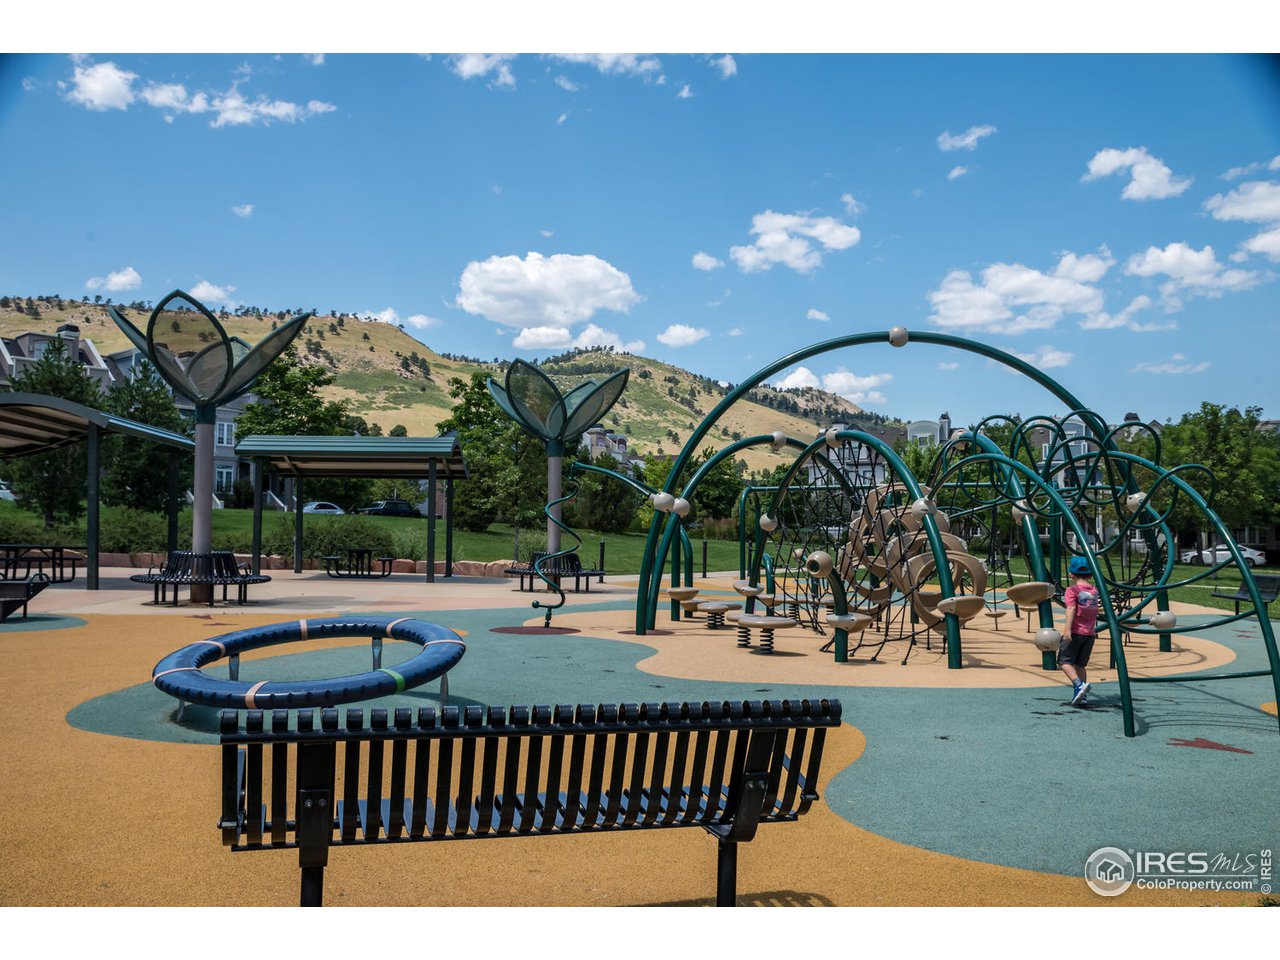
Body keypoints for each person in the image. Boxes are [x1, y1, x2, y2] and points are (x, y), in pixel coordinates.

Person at [1061, 555, 1100, 706]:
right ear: (1090, 574)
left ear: (1071, 574)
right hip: (1089, 634)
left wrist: (1067, 629)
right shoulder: (1095, 591)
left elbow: (1071, 608)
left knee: (1064, 661)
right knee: (1080, 665)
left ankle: (1078, 685)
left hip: (1076, 631)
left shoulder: (1072, 590)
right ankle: (1082, 696)